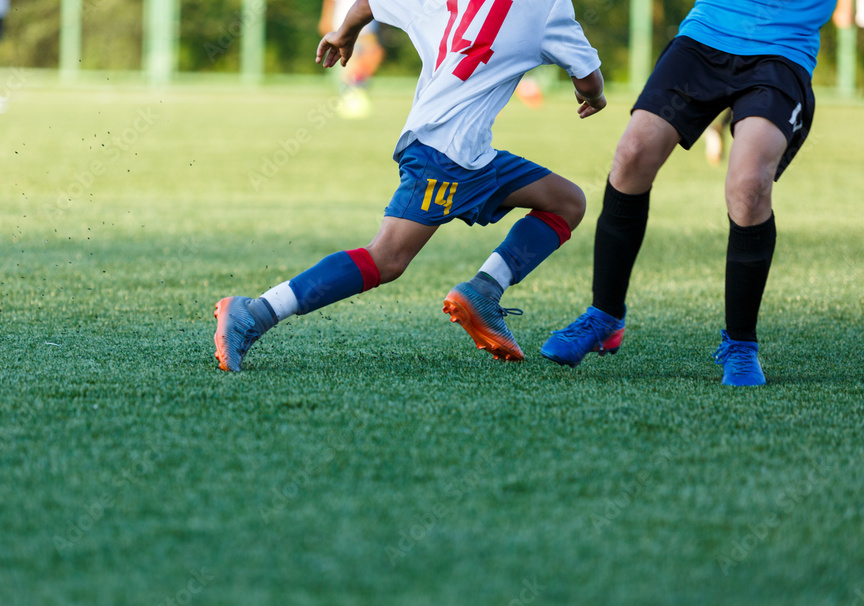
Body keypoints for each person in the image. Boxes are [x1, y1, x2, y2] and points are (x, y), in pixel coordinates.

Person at [214, 0, 606, 372]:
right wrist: (595, 97)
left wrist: (344, 33)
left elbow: (369, 3)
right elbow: (588, 79)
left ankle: (484, 293)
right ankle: (255, 313)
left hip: (462, 150)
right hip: (446, 155)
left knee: (567, 202)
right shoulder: (549, 7)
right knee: (387, 258)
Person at [540, 0, 838, 387]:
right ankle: (604, 316)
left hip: (781, 51)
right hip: (705, 36)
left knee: (749, 186)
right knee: (633, 154)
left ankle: (741, 345)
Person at [319, 0, 385, 118]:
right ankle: (349, 93)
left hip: (367, 27)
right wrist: (326, 18)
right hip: (342, 25)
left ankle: (355, 89)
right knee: (349, 63)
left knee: (374, 55)